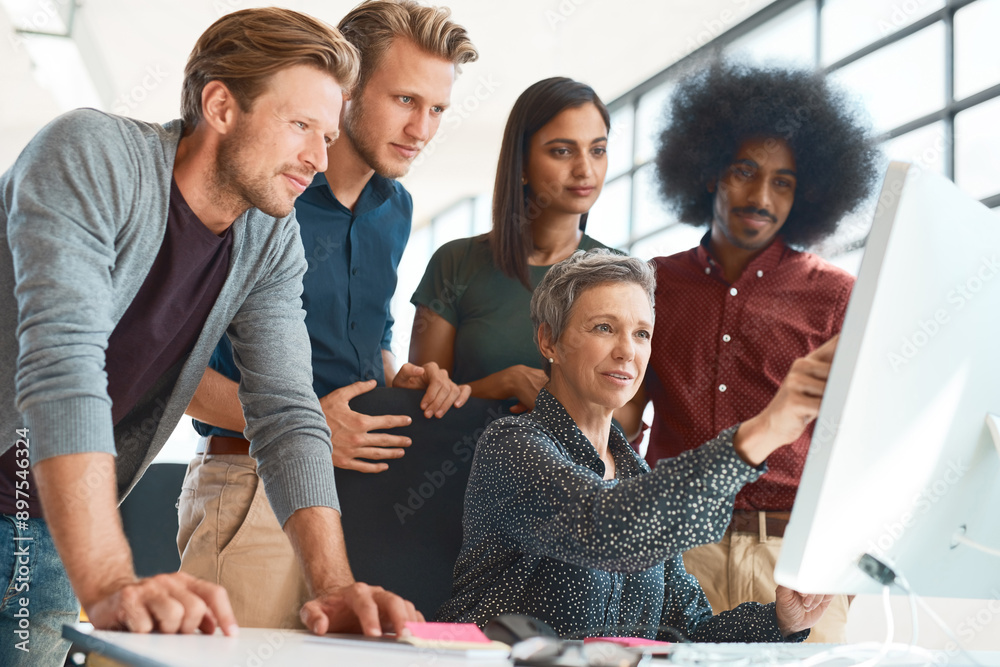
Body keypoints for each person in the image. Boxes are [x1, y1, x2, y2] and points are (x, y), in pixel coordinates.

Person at [0, 9, 419, 665]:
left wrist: (335, 586)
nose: (318, 156)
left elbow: (285, 410)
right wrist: (112, 579)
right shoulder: (88, 154)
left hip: (42, 525)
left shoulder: (269, 238)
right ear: (221, 105)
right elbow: (64, 363)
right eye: (300, 125)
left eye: (328, 133)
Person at [179, 0, 478, 630]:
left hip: (361, 499)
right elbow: (175, 378)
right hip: (252, 484)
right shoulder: (256, 191)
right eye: (404, 100)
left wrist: (407, 376)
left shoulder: (394, 208)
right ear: (345, 91)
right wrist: (311, 427)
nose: (422, 128)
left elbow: (372, 341)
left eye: (438, 109)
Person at [437, 249, 836, 641]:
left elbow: (689, 631)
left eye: (641, 333)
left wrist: (782, 622)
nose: (627, 351)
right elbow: (603, 528)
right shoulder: (511, 445)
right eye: (603, 328)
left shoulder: (636, 473)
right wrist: (762, 431)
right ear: (549, 341)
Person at [616, 60, 880, 643]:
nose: (761, 196)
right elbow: (620, 427)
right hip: (675, 555)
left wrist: (848, 564)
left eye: (783, 181)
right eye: (745, 171)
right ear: (710, 172)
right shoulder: (652, 286)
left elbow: (862, 443)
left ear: (807, 193)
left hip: (795, 564)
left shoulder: (836, 296)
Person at [409, 77, 614, 412]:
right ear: (521, 164)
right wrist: (506, 383)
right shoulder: (456, 262)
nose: (585, 169)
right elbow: (421, 401)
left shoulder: (619, 275)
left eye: (598, 150)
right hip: (464, 462)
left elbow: (630, 418)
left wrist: (553, 400)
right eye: (562, 151)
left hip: (573, 465)